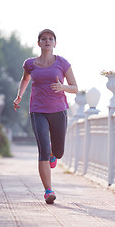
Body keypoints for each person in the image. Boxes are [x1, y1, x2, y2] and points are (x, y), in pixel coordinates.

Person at [13, 29, 78, 204]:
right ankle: (48, 190)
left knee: (59, 152)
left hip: (59, 110)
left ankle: (53, 152)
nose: (47, 41)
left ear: (55, 43)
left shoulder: (62, 63)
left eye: (50, 39)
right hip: (38, 110)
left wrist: (62, 88)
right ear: (39, 43)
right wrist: (19, 95)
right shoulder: (30, 63)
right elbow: (25, 79)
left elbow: (75, 87)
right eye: (43, 39)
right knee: (42, 149)